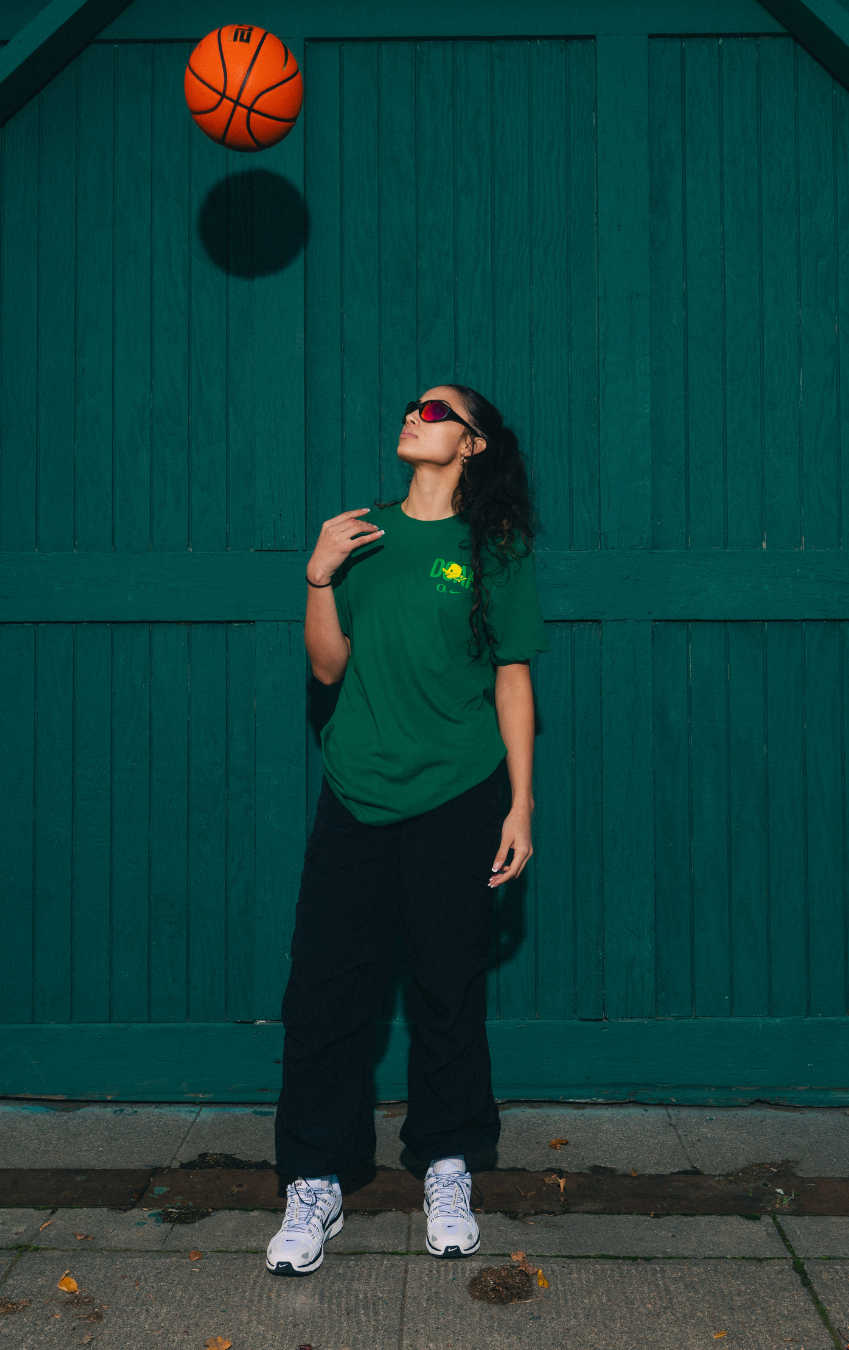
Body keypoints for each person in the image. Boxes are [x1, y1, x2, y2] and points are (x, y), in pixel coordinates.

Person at [265, 384, 549, 1276]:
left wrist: (520, 802)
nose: (413, 416)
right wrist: (317, 573)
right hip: (356, 792)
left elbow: (511, 676)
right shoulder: (362, 537)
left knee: (448, 988)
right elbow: (325, 664)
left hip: (459, 794)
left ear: (470, 444)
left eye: (435, 411)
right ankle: (315, 1182)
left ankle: (449, 1166)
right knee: (324, 994)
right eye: (411, 407)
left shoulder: (491, 547)